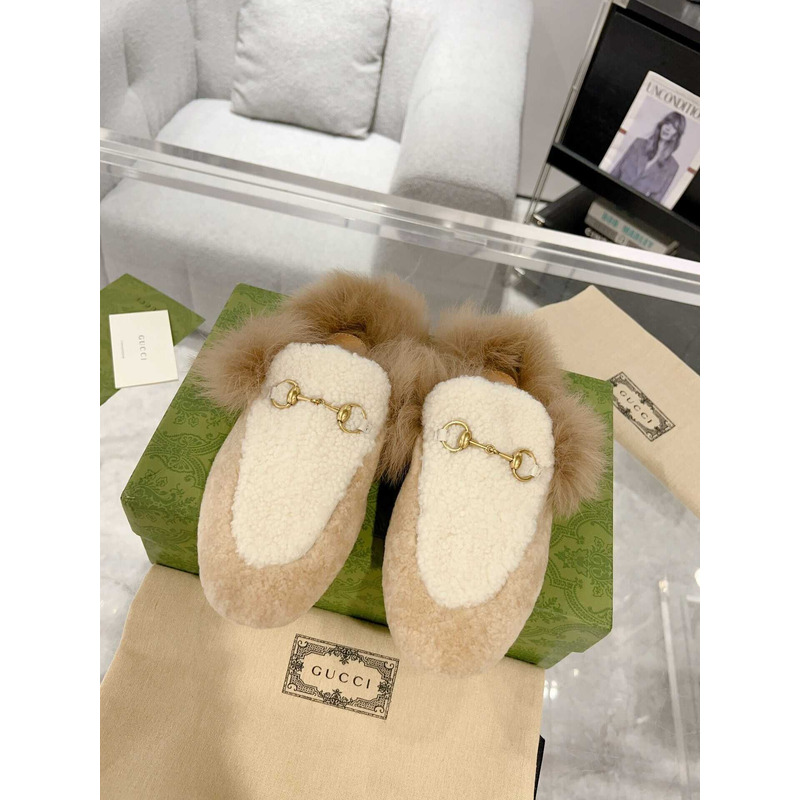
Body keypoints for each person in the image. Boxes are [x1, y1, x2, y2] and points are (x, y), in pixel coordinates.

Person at [609, 111, 686, 204]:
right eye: (667, 123)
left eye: (674, 127)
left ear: (676, 135)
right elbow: (615, 172)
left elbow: (656, 200)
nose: (668, 128)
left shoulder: (672, 167)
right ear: (662, 125)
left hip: (634, 205)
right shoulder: (638, 144)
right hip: (611, 194)